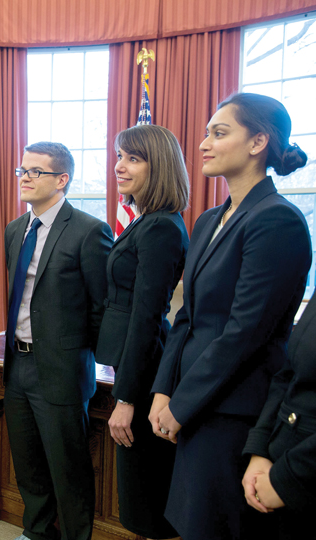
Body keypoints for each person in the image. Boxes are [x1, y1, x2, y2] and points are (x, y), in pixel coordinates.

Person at [149, 93, 311, 540]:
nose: (204, 143)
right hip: (194, 403)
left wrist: (182, 405)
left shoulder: (277, 220)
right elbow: (187, 317)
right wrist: (164, 390)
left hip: (234, 410)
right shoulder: (208, 221)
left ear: (258, 142)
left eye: (219, 133)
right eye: (206, 133)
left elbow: (245, 332)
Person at [4, 142, 113, 540]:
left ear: (61, 179)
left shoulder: (89, 230)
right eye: (23, 171)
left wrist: (102, 360)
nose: (26, 178)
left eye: (36, 171)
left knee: (68, 469)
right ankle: (36, 533)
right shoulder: (16, 230)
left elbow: (102, 304)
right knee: (28, 464)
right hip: (17, 365)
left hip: (63, 369)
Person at [97, 125, 190, 539]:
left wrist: (127, 399)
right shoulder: (145, 222)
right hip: (132, 368)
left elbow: (147, 319)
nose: (119, 166)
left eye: (133, 158)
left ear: (160, 167)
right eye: (119, 156)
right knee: (136, 498)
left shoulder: (162, 228)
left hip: (147, 376)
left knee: (146, 501)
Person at [243, 296, 316, 540]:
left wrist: (288, 477)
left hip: (302, 479)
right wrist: (260, 449)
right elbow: (289, 372)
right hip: (275, 468)